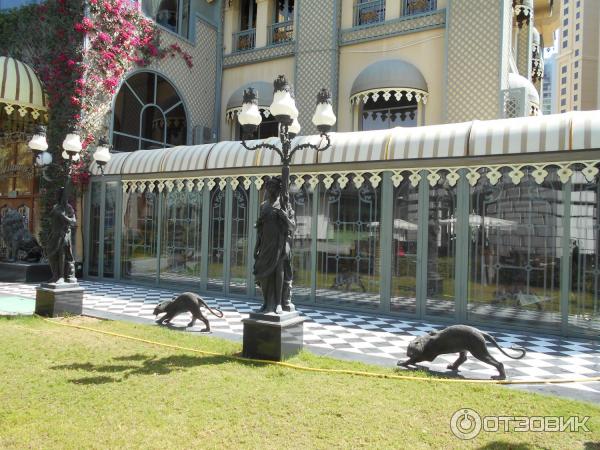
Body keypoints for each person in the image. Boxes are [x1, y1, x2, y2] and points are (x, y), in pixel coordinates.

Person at [253, 177, 296, 314]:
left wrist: (285, 217)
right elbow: (260, 228)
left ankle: (278, 303)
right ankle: (266, 302)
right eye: (269, 187)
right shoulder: (263, 205)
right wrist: (256, 246)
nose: (271, 190)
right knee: (263, 274)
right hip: (266, 244)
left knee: (279, 272)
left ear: (279, 189)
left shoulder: (285, 205)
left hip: (279, 244)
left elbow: (293, 227)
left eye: (274, 187)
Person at [46, 187, 77, 284]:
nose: (55, 196)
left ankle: (62, 276)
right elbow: (51, 217)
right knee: (51, 254)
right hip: (54, 234)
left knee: (61, 254)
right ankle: (55, 275)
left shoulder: (68, 207)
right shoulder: (56, 206)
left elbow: (73, 222)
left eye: (57, 194)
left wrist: (64, 217)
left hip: (63, 234)